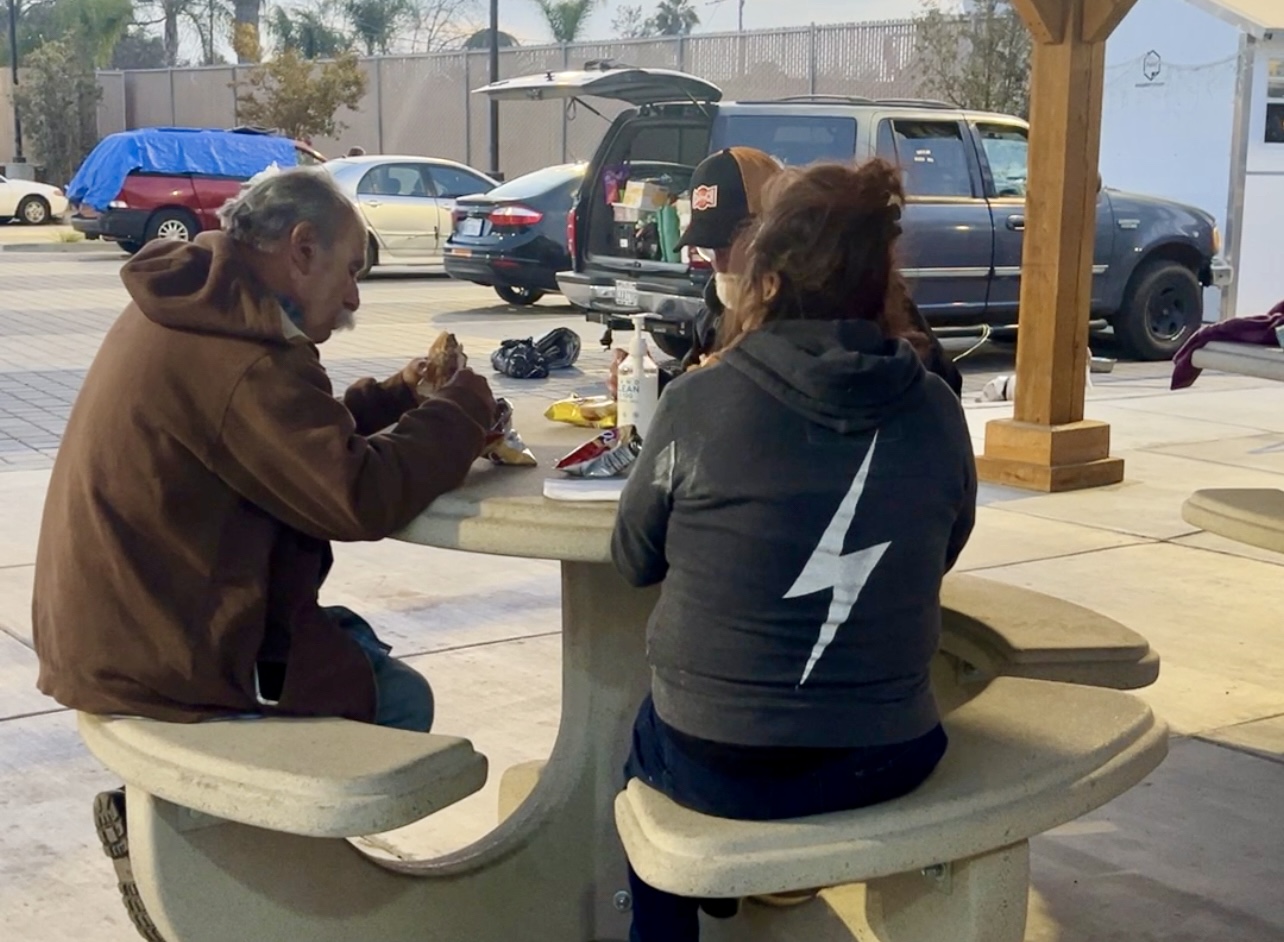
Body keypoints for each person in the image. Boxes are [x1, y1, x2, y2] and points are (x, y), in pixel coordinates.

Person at [32, 168, 496, 937]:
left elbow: (272, 445)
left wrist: (394, 400)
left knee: (354, 647)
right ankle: (234, 883)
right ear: (302, 249)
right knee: (399, 698)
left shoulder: (204, 300)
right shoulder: (246, 350)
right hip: (163, 653)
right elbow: (356, 497)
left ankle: (204, 855)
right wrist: (465, 407)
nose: (353, 298)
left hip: (121, 627)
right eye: (351, 272)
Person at [611, 159, 977, 942]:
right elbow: (939, 553)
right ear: (884, 283)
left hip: (718, 757)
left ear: (765, 278)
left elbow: (633, 559)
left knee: (640, 748)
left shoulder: (698, 401)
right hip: (892, 753)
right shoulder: (939, 409)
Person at [608, 147, 963, 399]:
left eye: (730, 245)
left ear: (773, 236)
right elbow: (700, 388)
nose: (719, 264)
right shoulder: (715, 312)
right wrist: (654, 386)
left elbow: (942, 387)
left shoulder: (841, 299)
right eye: (707, 249)